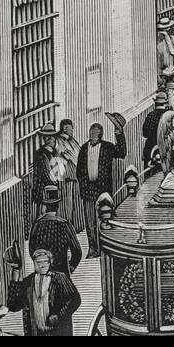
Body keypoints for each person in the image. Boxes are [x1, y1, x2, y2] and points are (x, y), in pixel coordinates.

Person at [76, 112, 127, 258]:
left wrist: (119, 134)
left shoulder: (107, 147)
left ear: (101, 135)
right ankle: (93, 249)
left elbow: (122, 153)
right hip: (88, 189)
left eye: (96, 133)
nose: (93, 135)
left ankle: (105, 246)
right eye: (91, 133)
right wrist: (84, 184)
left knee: (105, 218)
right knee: (90, 221)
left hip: (102, 189)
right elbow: (79, 170)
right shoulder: (83, 148)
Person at [6, 248, 81, 337]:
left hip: (58, 332)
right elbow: (13, 306)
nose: (42, 265)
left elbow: (75, 299)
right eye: (39, 262)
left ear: (50, 262)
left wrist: (59, 316)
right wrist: (16, 272)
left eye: (45, 261)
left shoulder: (60, 279)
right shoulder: (28, 282)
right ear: (33, 263)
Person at [29, 184, 82, 277]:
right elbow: (77, 251)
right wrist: (71, 267)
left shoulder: (37, 225)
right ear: (57, 205)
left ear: (44, 206)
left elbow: (32, 251)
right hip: (63, 274)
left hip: (42, 275)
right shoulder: (65, 225)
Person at [53, 119, 85, 236]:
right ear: (65, 128)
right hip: (65, 175)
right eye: (71, 128)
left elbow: (80, 152)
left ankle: (77, 227)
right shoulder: (60, 140)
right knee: (67, 203)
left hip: (76, 174)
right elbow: (69, 155)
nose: (73, 130)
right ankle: (65, 229)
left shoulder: (72, 140)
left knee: (76, 201)